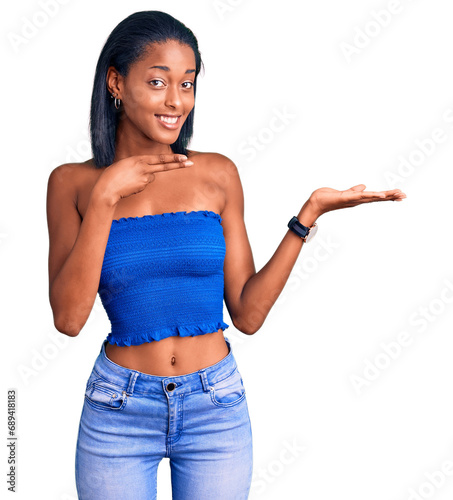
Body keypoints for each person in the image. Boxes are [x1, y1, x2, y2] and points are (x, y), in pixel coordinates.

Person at [46, 10, 407, 500]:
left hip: (214, 407)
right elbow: (68, 318)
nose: (176, 101)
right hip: (118, 410)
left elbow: (248, 314)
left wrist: (308, 216)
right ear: (116, 82)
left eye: (188, 84)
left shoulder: (218, 175)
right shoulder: (72, 184)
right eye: (158, 82)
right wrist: (106, 196)